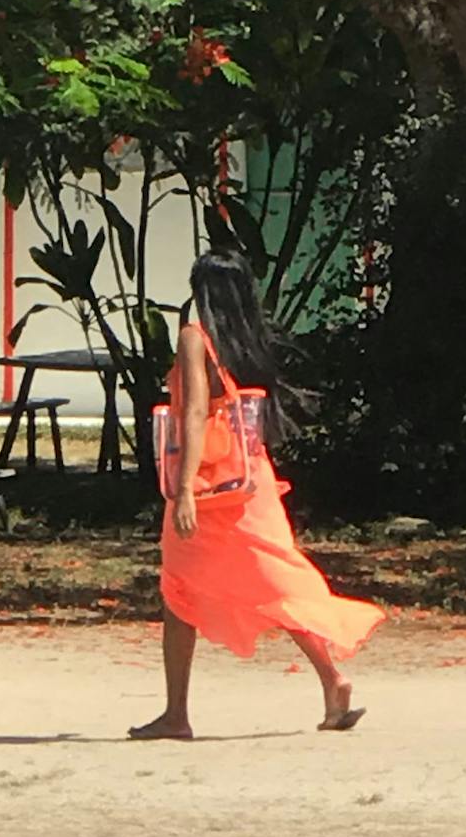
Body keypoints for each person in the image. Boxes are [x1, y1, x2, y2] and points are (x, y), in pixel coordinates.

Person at [129, 248, 382, 741]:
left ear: (202, 291)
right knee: (277, 581)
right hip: (251, 484)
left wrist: (182, 491)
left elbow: (196, 413)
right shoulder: (245, 343)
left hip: (207, 489)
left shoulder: (193, 339)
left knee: (178, 591)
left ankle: (176, 713)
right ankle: (332, 679)